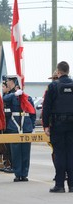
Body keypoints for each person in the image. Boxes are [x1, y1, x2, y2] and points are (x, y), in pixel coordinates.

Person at [42, 61, 73, 193]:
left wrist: (45, 126)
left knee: (60, 154)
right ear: (68, 71)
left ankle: (59, 185)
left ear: (58, 72)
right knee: (71, 153)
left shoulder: (53, 86)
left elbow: (46, 108)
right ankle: (72, 185)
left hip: (58, 125)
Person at [3, 75, 36, 182]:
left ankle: (24, 173)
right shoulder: (11, 96)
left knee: (26, 151)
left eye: (8, 81)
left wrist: (32, 126)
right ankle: (17, 173)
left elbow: (32, 113)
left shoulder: (27, 98)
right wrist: (14, 94)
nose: (7, 83)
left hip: (25, 126)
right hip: (14, 126)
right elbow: (3, 99)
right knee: (15, 152)